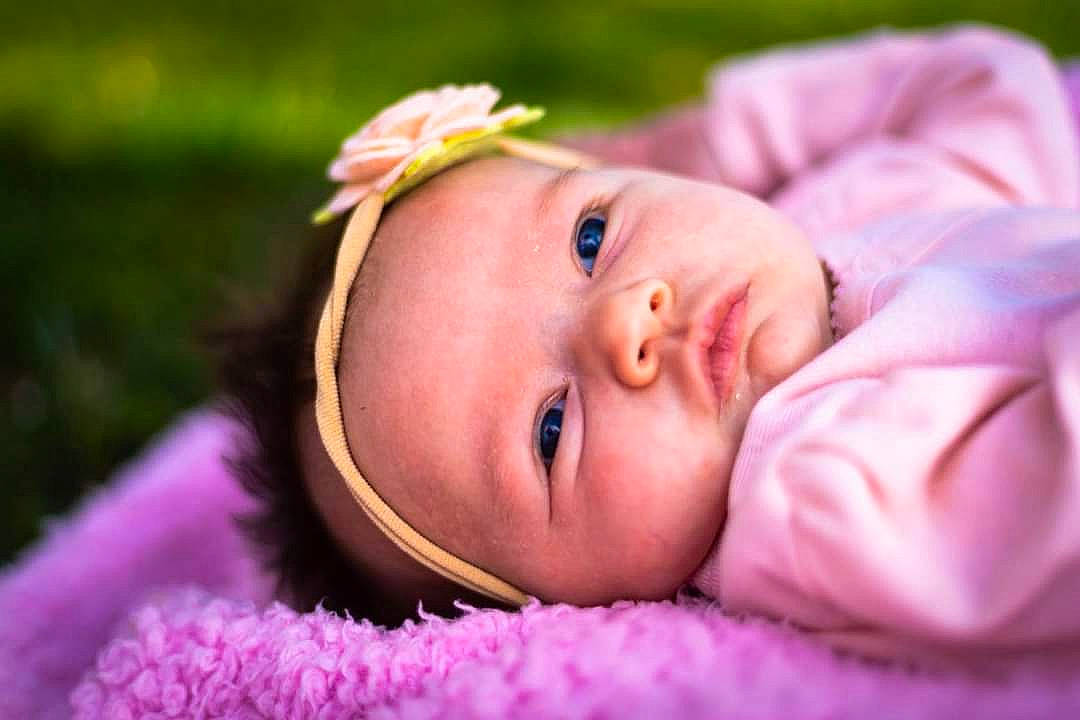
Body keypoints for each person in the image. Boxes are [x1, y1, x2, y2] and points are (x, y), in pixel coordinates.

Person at [215, 24, 1080, 669]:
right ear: (551, 606)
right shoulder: (826, 501)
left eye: (590, 239)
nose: (626, 322)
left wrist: (707, 139)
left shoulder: (844, 206)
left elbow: (986, 86)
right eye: (550, 430)